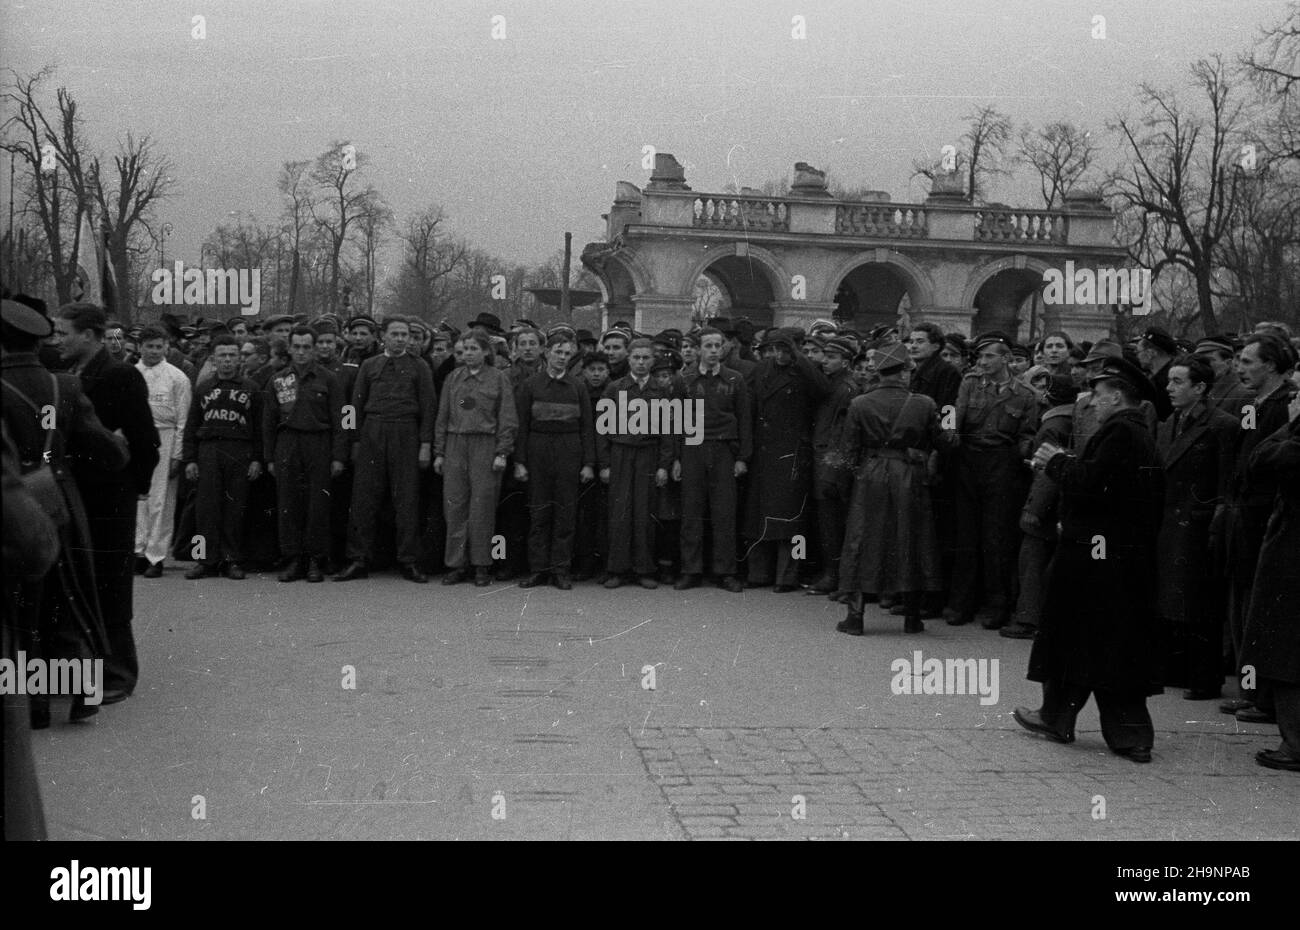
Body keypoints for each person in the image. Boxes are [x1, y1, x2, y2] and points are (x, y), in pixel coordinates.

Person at [1016, 356, 1165, 764]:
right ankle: (1079, 722)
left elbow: (1095, 484)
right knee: (1101, 644)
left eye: (1098, 395)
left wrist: (1056, 462)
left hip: (1096, 559)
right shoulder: (1134, 432)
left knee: (1088, 640)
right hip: (1114, 558)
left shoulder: (1120, 432)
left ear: (1116, 396)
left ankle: (1076, 721)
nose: (1092, 402)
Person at [3, 299, 129, 730]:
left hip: (11, 508)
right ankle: (84, 697)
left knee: (23, 608)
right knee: (69, 597)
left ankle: (33, 707)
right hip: (61, 502)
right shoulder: (65, 387)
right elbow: (109, 452)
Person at [54, 303, 159, 705]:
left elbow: (145, 438)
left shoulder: (119, 375)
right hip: (80, 490)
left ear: (90, 335)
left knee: (112, 583)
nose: (58, 340)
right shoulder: (70, 375)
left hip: (111, 492)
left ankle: (118, 672)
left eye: (64, 333)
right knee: (85, 579)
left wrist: (138, 486)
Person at [835, 342, 954, 634]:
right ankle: (912, 617)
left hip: (871, 474)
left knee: (862, 538)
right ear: (903, 372)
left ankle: (855, 617)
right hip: (909, 475)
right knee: (910, 538)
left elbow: (847, 451)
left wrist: (849, 482)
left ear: (879, 372)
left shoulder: (860, 403)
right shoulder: (924, 403)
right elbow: (945, 442)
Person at [1220, 333, 1298, 720]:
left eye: (1249, 362)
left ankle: (1264, 695)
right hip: (1244, 518)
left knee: (1262, 610)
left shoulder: (1286, 405)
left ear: (1271, 365)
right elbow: (1245, 457)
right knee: (1244, 605)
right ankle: (1252, 689)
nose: (1241, 368)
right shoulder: (1255, 404)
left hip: (1266, 519)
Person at [1155, 355, 1239, 698]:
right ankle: (1178, 670)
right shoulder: (1170, 423)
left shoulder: (1223, 425)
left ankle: (1205, 679)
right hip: (1170, 523)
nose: (1169, 388)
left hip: (1199, 526)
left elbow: (1228, 484)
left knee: (1201, 604)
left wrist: (1216, 526)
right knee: (1173, 599)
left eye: (1178, 382)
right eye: (1170, 381)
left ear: (1200, 388)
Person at [947, 331, 1039, 629]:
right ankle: (961, 604)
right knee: (966, 535)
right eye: (980, 356)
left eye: (989, 356)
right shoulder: (970, 383)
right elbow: (956, 419)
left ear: (1007, 359)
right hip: (968, 462)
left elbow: (1026, 434)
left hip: (1003, 466)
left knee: (996, 537)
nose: (983, 362)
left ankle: (997, 604)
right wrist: (948, 437)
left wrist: (1023, 453)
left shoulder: (1025, 395)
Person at [336, 318, 435, 583]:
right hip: (372, 432)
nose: (401, 339)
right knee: (364, 498)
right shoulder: (369, 365)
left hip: (406, 432)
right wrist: (355, 440)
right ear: (384, 336)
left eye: (405, 334)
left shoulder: (419, 366)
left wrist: (425, 444)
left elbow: (428, 408)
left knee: (406, 499)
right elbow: (353, 407)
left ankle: (408, 560)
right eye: (396, 334)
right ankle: (358, 559)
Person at [742, 329, 829, 591]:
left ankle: (788, 575)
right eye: (775, 349)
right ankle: (758, 573)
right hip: (763, 451)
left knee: (792, 520)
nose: (779, 355)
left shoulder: (806, 371)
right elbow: (747, 400)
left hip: (791, 453)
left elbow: (823, 390)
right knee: (758, 516)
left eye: (785, 350)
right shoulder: (762, 369)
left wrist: (799, 358)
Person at [1239, 400, 1300, 771]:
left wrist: (1293, 423)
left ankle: (1294, 745)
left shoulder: (1295, 440)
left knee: (1285, 651)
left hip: (1292, 558)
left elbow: (1262, 458)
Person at [512, 334, 596, 590]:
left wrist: (588, 463)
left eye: (567, 354)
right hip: (538, 451)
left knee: (565, 513)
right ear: (547, 352)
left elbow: (587, 428)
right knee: (539, 513)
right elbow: (521, 426)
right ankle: (538, 569)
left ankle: (560, 570)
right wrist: (520, 461)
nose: (562, 358)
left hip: (569, 452)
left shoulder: (577, 386)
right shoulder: (531, 385)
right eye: (558, 352)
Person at [436, 332, 516, 586]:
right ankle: (456, 564)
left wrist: (502, 452)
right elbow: (443, 416)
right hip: (455, 442)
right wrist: (440, 452)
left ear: (485, 352)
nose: (468, 353)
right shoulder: (453, 378)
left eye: (473, 348)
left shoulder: (498, 379)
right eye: (464, 349)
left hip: (485, 443)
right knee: (455, 505)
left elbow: (507, 417)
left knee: (482, 507)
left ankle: (482, 564)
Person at [1002, 374, 1079, 640]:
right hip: (1059, 505)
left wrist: (1034, 507)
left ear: (1048, 395)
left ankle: (1027, 618)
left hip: (1044, 503)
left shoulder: (1052, 425)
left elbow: (1045, 471)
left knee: (1031, 561)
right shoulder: (1072, 419)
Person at [675, 327, 751, 592]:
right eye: (708, 346)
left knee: (724, 512)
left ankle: (725, 571)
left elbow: (744, 419)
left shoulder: (735, 380)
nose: (713, 351)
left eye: (717, 346)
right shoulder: (684, 380)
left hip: (724, 450)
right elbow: (674, 422)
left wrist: (742, 457)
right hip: (692, 448)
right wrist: (676, 458)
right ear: (697, 349)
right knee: (691, 511)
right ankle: (690, 570)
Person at [182, 335, 263, 579]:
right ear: (214, 359)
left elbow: (260, 428)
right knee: (206, 508)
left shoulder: (251, 388)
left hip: (240, 450)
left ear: (239, 358)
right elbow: (191, 425)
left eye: (232, 355)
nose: (227, 360)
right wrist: (190, 459)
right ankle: (205, 561)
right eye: (222, 356)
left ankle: (232, 560)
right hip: (209, 450)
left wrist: (257, 458)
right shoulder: (204, 386)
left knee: (234, 507)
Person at [599, 338, 673, 589]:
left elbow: (668, 432)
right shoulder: (614, 388)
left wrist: (664, 465)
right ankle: (617, 569)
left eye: (646, 358)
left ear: (653, 361)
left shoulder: (661, 391)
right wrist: (605, 464)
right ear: (628, 359)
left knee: (644, 512)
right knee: (620, 512)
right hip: (621, 454)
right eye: (636, 358)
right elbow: (603, 430)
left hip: (648, 455)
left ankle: (644, 569)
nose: (641, 363)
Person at [133, 326, 191, 578]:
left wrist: (177, 454)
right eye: (150, 346)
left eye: (159, 346)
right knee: (138, 499)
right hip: (135, 439)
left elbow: (183, 420)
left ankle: (155, 556)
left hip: (164, 438)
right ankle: (137, 550)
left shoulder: (177, 378)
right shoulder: (130, 374)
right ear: (140, 347)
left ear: (166, 348)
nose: (154, 351)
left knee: (161, 500)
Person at [807, 336, 860, 596]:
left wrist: (832, 469)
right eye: (824, 356)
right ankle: (831, 572)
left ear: (846, 362)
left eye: (831, 357)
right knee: (826, 521)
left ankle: (835, 575)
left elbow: (843, 434)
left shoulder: (846, 389)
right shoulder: (833, 384)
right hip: (823, 458)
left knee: (832, 522)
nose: (825, 361)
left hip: (831, 463)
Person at [1136, 326, 1177, 421]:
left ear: (1151, 353)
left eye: (1138, 352)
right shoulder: (1156, 378)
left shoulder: (1169, 381)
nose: (1137, 356)